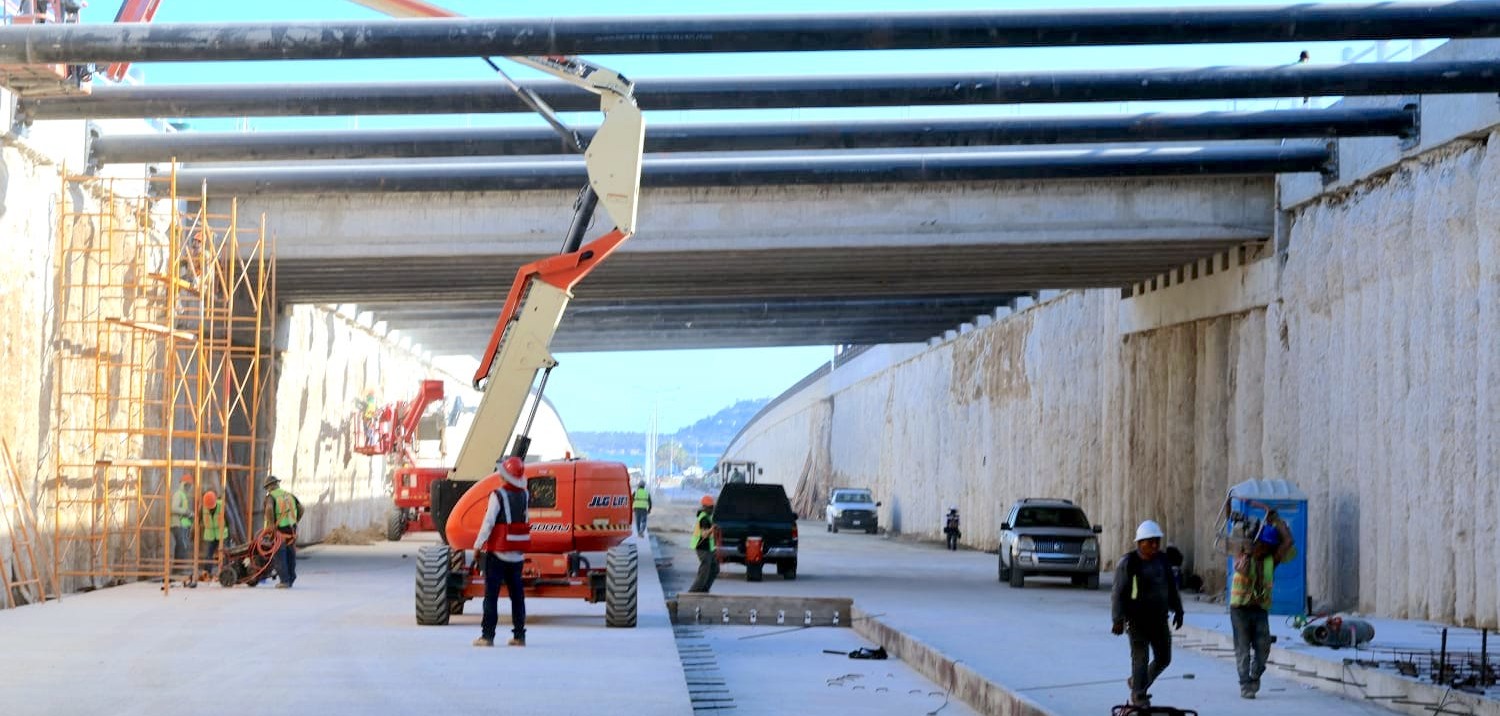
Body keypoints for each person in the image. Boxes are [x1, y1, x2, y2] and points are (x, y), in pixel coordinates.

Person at [1111, 519, 1185, 708]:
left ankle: (1137, 682)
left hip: (1159, 618)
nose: (1154, 545)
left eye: (1157, 541)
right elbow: (1118, 592)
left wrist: (1178, 610)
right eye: (1150, 541)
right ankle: (1139, 694)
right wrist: (1118, 619)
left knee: (1164, 658)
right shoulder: (1129, 563)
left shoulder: (1162, 561)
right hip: (1136, 620)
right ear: (1139, 543)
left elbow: (1171, 587)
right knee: (1140, 658)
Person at [1231, 511, 1296, 699]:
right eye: (1262, 544)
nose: (1264, 549)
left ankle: (1255, 675)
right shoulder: (1242, 553)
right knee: (1242, 648)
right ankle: (1245, 684)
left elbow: (1288, 542)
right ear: (1255, 542)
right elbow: (1236, 538)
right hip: (1240, 609)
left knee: (1263, 647)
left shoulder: (1270, 561)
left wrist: (1276, 521)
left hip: (1259, 609)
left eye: (1268, 546)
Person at [474, 456, 529, 647]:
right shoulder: (525, 495)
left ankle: (487, 636)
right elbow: (524, 518)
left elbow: (488, 522)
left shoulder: (497, 495)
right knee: (517, 596)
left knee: (491, 596)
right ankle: (519, 636)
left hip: (497, 553)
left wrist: (478, 544)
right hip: (517, 553)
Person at [263, 476, 301, 589]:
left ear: (269, 487)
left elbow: (269, 509)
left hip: (279, 530)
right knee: (291, 554)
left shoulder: (271, 497)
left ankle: (284, 581)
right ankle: (291, 578)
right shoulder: (289, 495)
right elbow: (301, 508)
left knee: (280, 555)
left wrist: (271, 526)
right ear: (277, 484)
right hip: (291, 529)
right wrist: (296, 520)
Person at [686, 495, 718, 593]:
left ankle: (704, 589)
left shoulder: (708, 517)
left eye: (713, 507)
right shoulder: (704, 518)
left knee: (715, 568)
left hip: (709, 548)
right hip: (702, 548)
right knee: (704, 571)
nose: (713, 509)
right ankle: (693, 592)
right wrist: (713, 528)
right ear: (705, 507)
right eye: (711, 507)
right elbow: (704, 534)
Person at [200, 489, 228, 580]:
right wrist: (193, 531)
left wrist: (232, 533)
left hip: (222, 534)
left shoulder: (222, 506)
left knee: (226, 554)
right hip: (210, 534)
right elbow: (198, 520)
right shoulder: (203, 507)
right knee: (208, 554)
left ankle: (225, 572)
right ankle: (207, 573)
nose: (210, 508)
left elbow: (230, 520)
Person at [170, 474, 194, 578]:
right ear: (185, 484)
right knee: (181, 546)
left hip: (182, 525)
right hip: (177, 524)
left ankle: (179, 569)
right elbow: (173, 508)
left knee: (182, 546)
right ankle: (177, 570)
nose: (189, 487)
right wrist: (187, 512)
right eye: (188, 485)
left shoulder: (183, 495)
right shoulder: (178, 494)